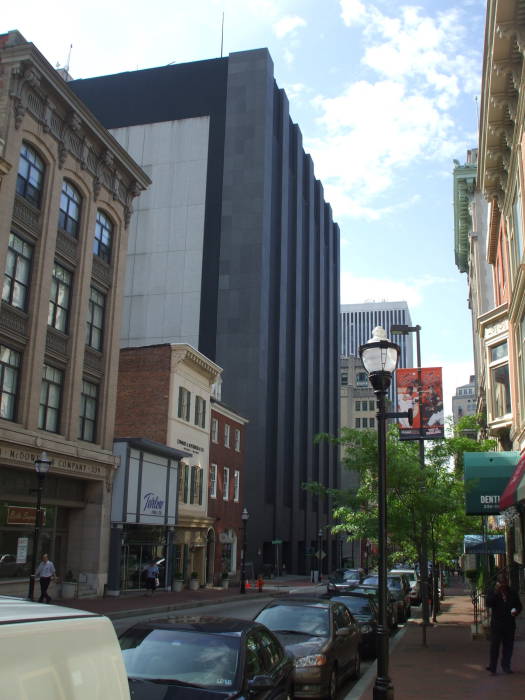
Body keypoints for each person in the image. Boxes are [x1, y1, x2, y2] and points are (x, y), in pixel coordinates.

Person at [486, 572, 522, 674]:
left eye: (505, 583)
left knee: (508, 646)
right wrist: (496, 592)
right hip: (497, 624)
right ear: (498, 583)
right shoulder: (493, 591)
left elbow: (519, 606)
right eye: (501, 583)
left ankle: (506, 666)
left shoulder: (512, 592)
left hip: (509, 624)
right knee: (494, 646)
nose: (503, 585)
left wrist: (516, 611)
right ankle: (493, 667)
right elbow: (488, 603)